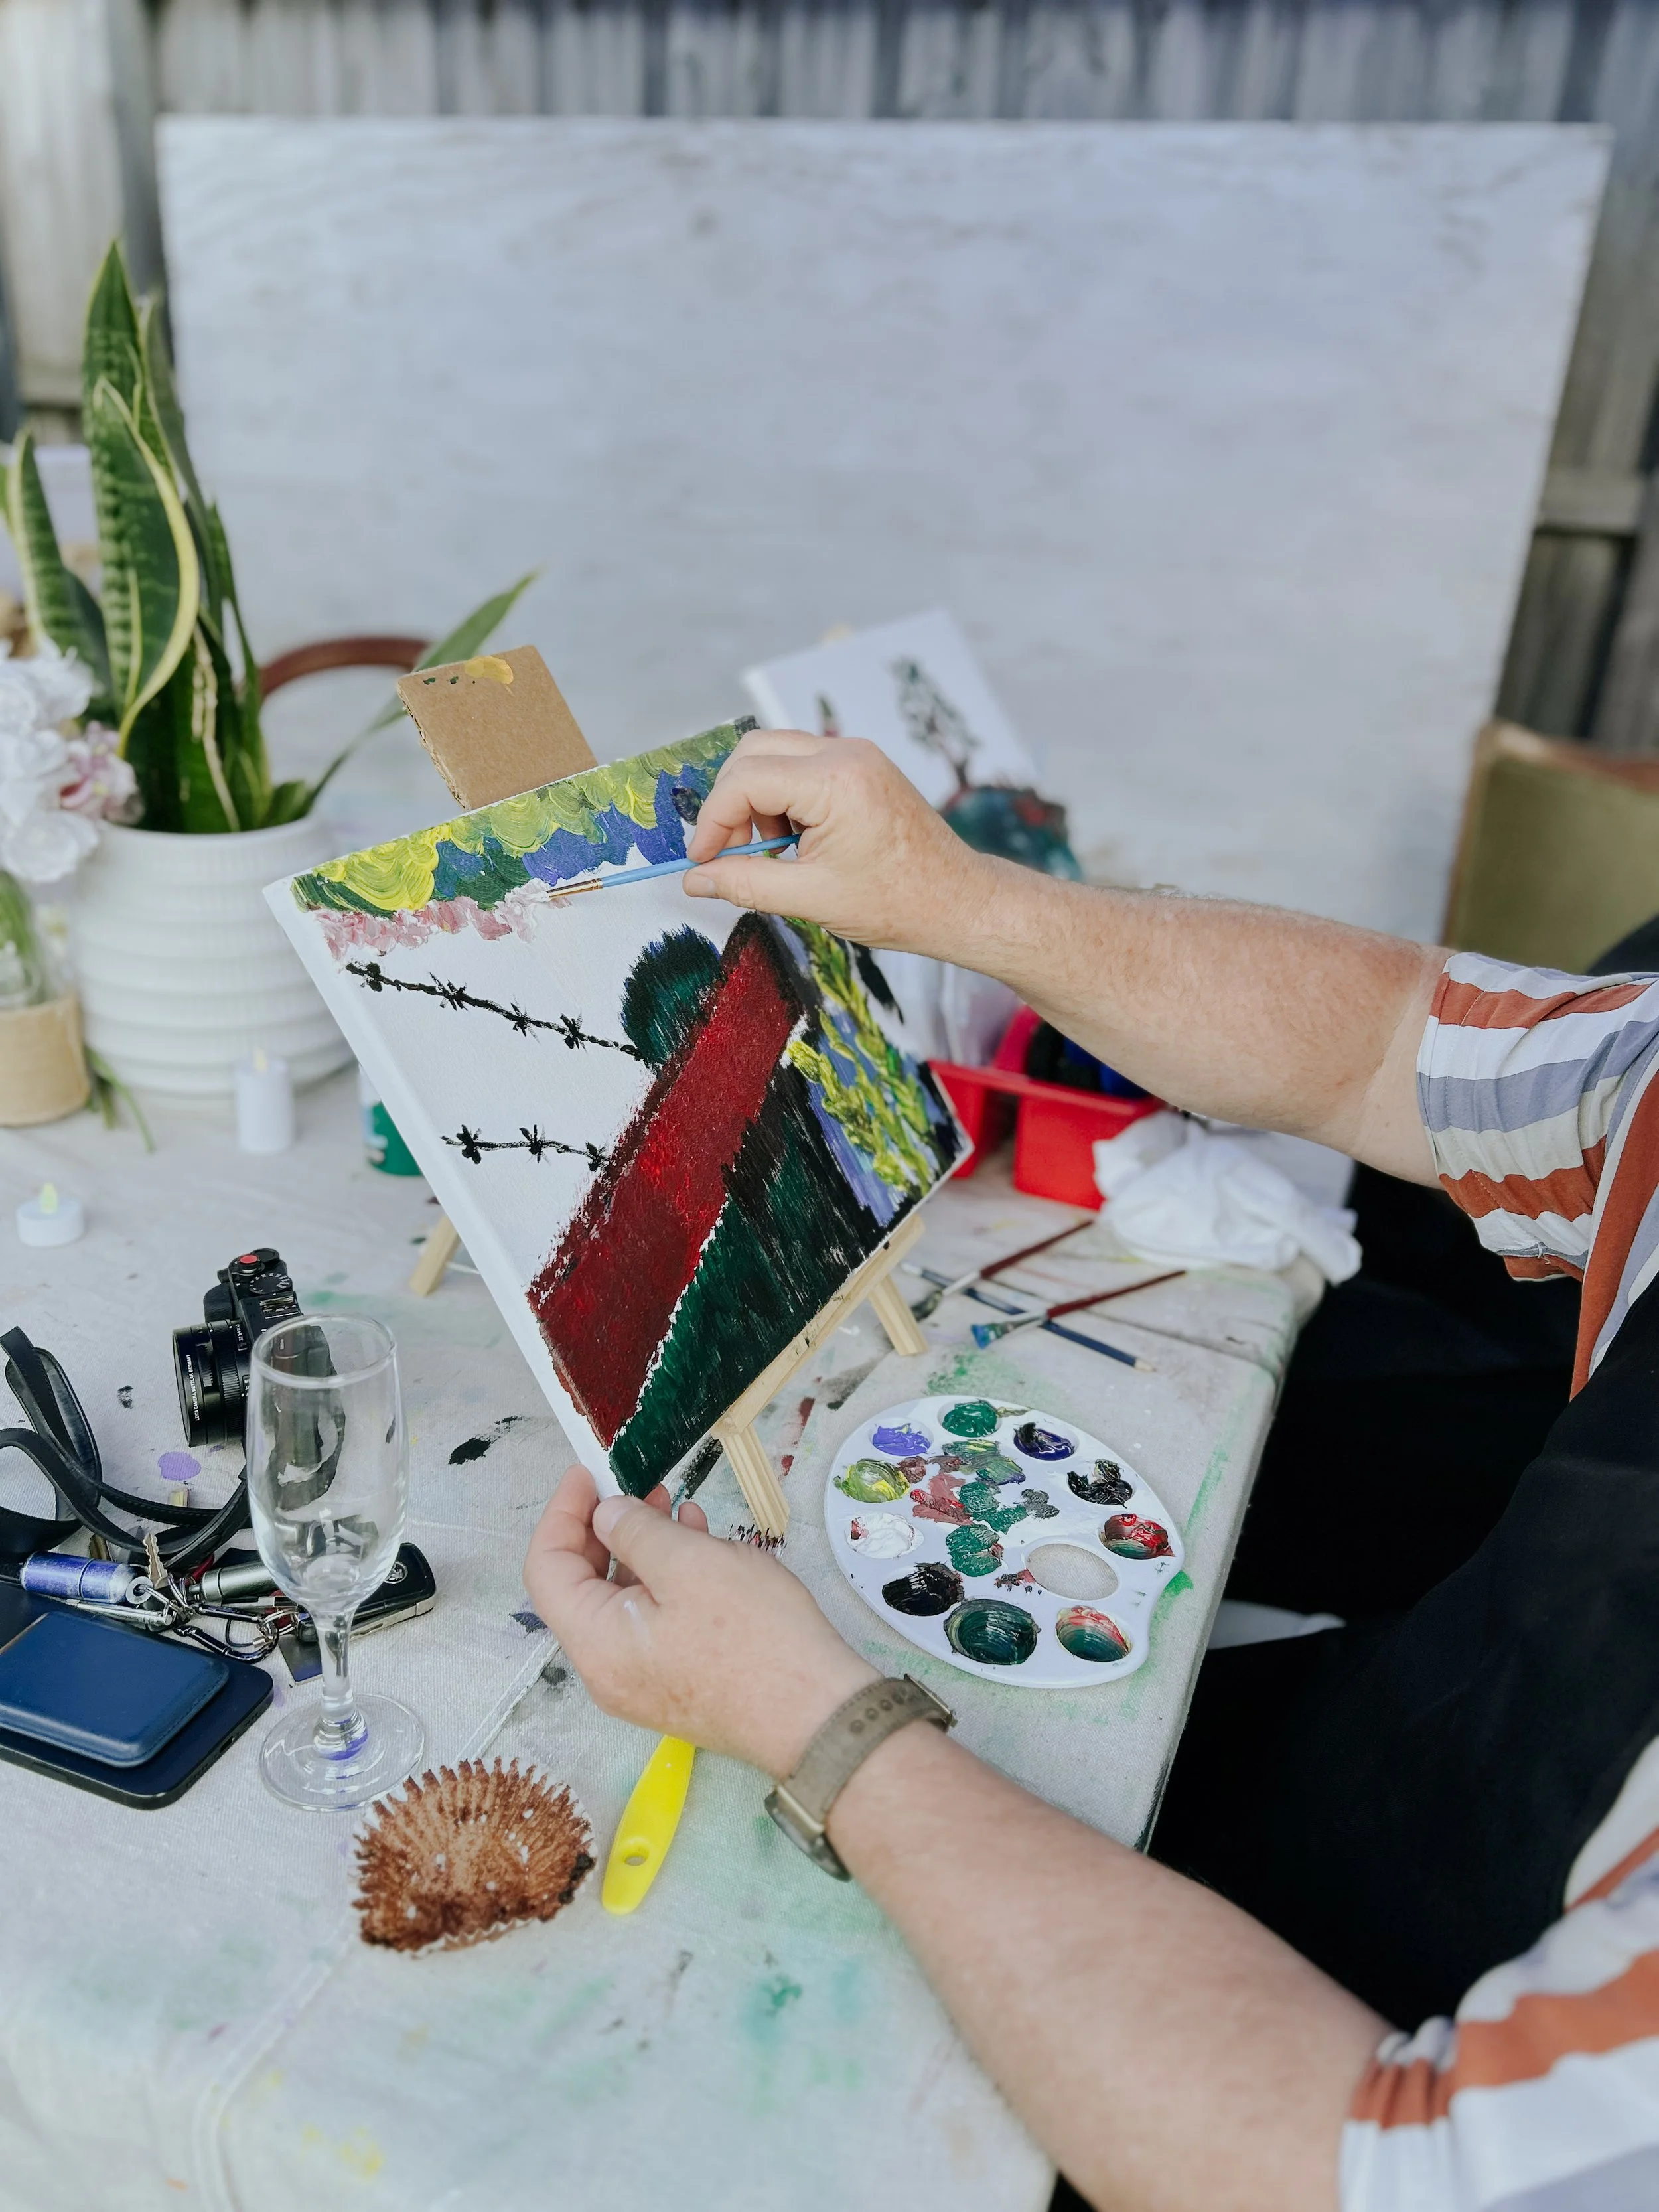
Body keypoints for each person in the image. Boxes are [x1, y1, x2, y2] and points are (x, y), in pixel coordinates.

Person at [524, 729, 1659, 2211]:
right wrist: (959, 899)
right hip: (1418, 1752)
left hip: (1323, 2067)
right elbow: (1389, 1041)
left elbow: (1349, 2164)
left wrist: (831, 1730)